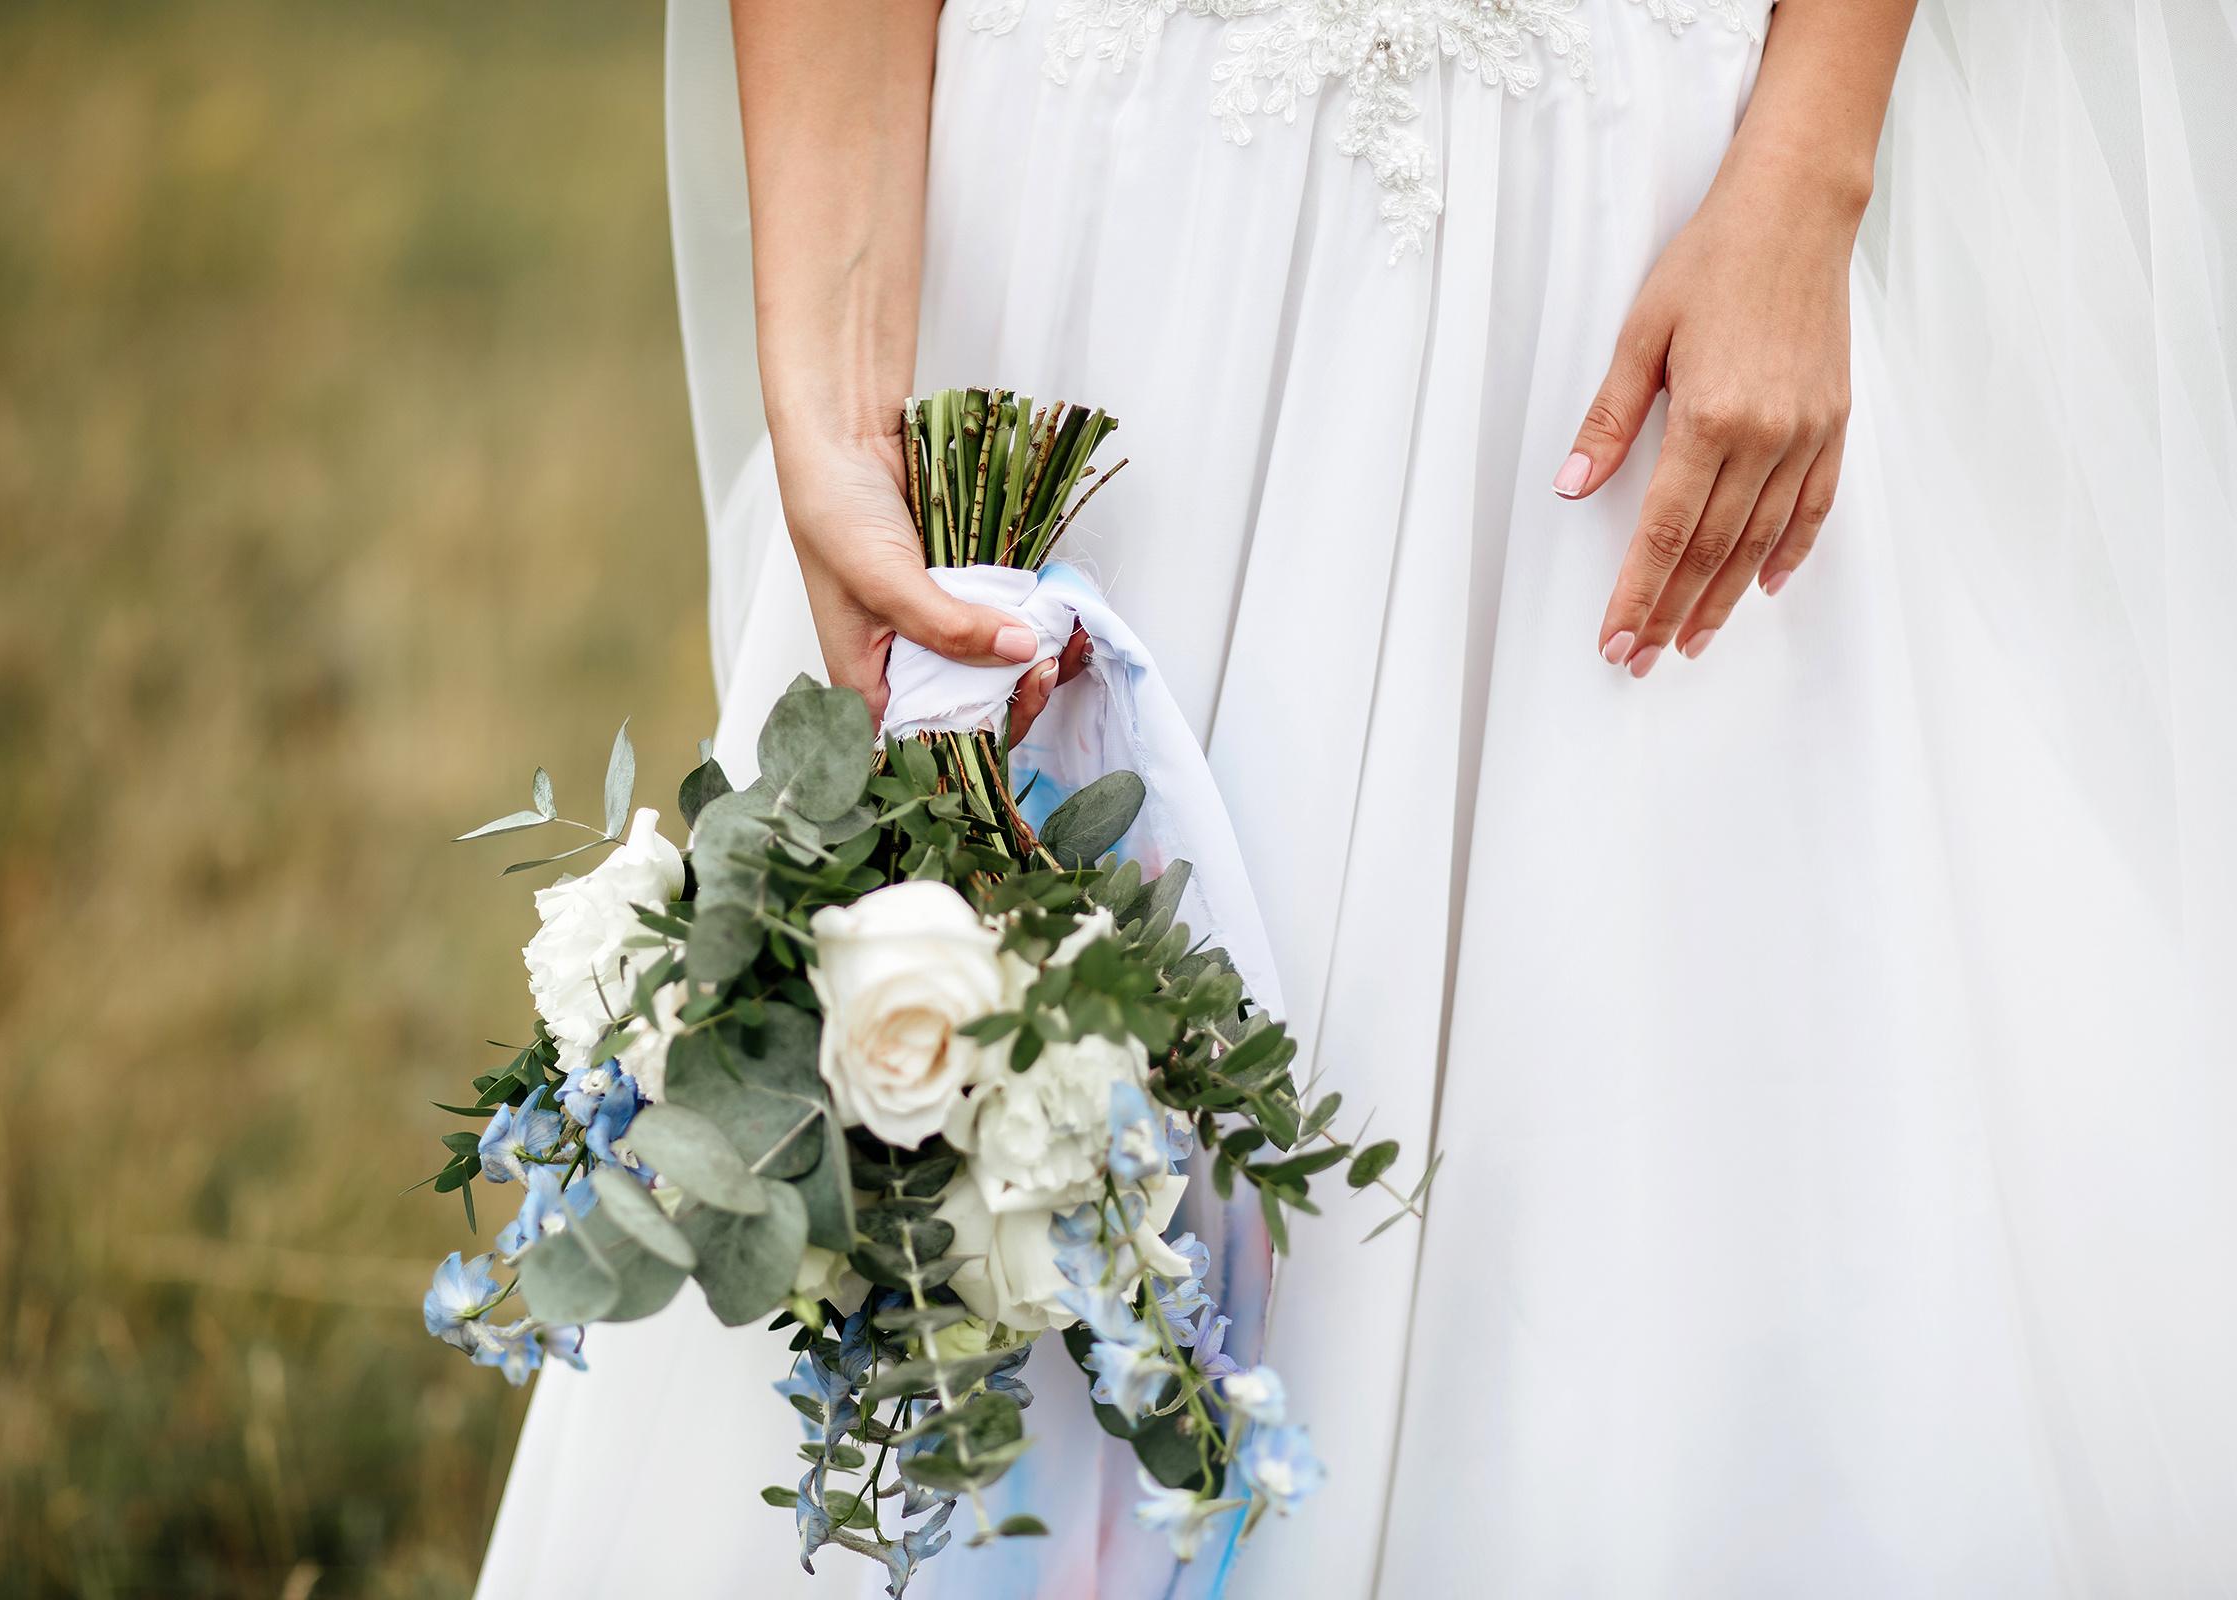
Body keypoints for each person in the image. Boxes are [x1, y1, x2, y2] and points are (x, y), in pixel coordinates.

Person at [478, 1, 2237, 1595]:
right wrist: (833, 415)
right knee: (977, 1122)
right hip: (1101, 241)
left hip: (1609, 250)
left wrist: (1811, 155)